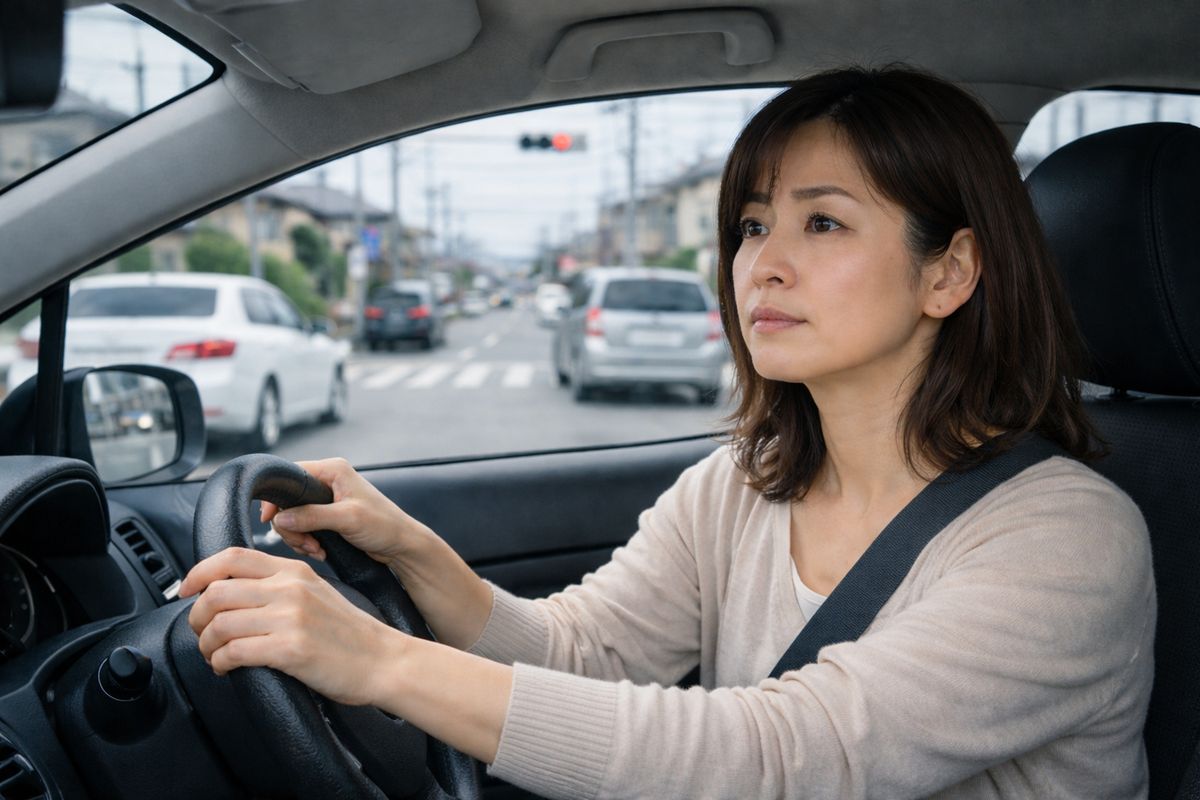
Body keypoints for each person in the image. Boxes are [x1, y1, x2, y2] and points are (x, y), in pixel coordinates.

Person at [180, 65, 1154, 799]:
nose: (760, 265)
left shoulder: (1066, 539)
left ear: (949, 271)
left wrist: (381, 660)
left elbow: (786, 753)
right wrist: (410, 550)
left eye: (822, 225)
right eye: (750, 224)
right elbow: (584, 651)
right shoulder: (744, 481)